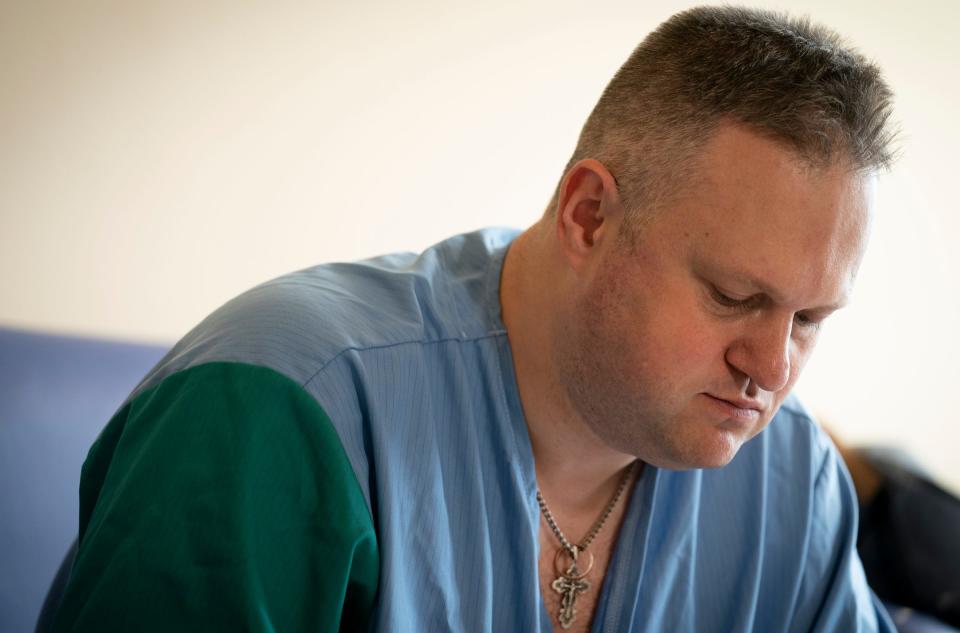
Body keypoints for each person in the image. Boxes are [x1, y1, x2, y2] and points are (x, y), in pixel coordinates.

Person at [51, 6, 899, 632]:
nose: (773, 366)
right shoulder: (276, 414)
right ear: (590, 216)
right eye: (732, 296)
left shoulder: (794, 482)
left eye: (811, 317)